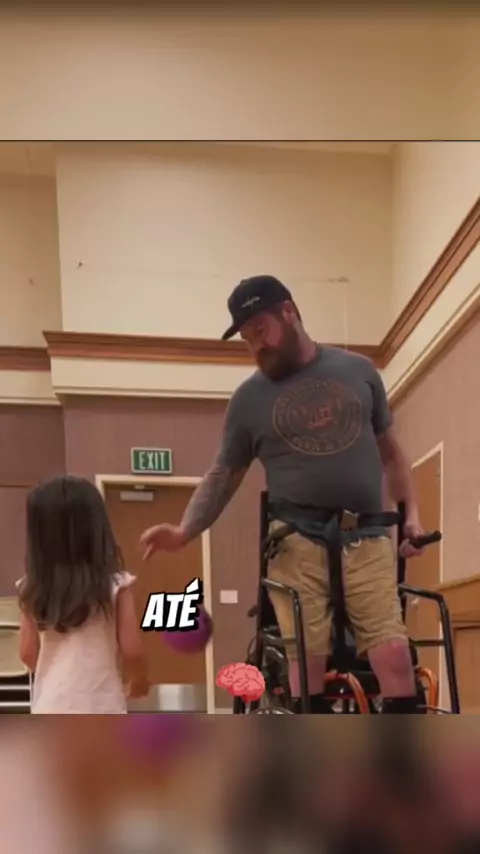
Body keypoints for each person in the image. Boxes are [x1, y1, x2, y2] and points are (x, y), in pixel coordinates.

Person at [140, 275, 425, 714]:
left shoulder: (359, 372)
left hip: (366, 538)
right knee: (307, 665)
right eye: (247, 339)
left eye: (260, 330)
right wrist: (184, 532)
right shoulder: (248, 401)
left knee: (395, 656)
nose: (256, 346)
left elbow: (391, 453)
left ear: (289, 313)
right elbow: (223, 475)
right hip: (296, 542)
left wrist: (411, 515)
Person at [17, 475, 149, 713]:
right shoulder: (116, 585)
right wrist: (140, 681)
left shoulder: (31, 587)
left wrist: (58, 677)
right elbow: (132, 650)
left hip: (50, 705)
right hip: (102, 705)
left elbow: (27, 651)